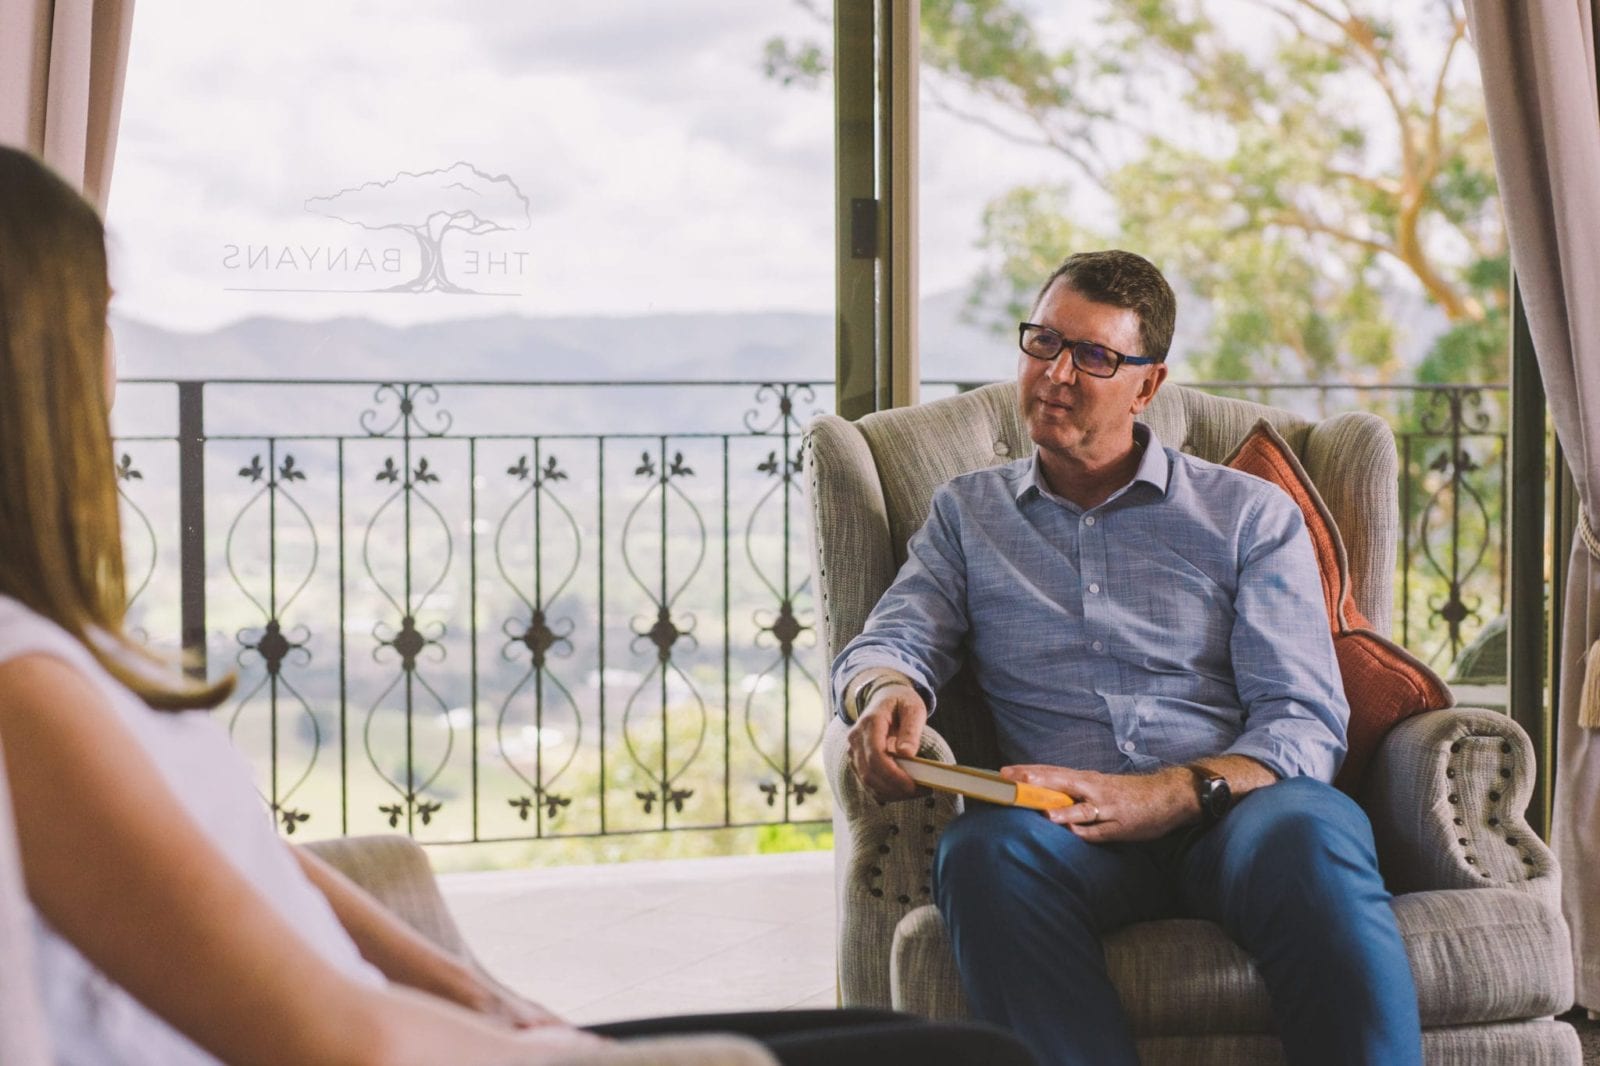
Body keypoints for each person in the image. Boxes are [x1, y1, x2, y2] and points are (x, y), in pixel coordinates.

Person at [0, 145, 1035, 1066]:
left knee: (949, 1047)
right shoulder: (25, 692)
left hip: (413, 1031)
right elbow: (332, 1041)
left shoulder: (55, 648)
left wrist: (485, 995)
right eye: (95, 317)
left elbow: (249, 860)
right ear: (34, 361)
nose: (115, 359)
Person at [833, 249, 1423, 1066]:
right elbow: (893, 638)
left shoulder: (1249, 516)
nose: (1057, 373)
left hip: (1239, 817)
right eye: (1043, 343)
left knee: (1311, 831)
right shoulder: (969, 516)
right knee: (980, 855)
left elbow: (1304, 717)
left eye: (1096, 356)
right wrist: (884, 689)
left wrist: (1172, 792)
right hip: (1065, 828)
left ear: (1148, 385)